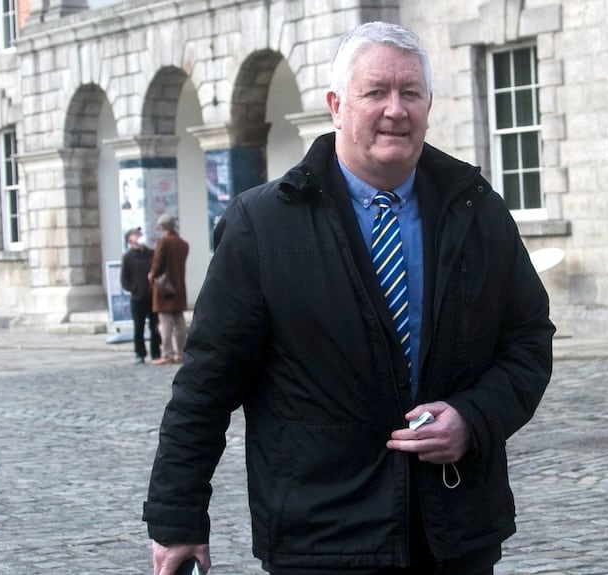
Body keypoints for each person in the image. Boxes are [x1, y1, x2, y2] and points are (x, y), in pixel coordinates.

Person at [143, 21, 554, 575]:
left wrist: (473, 418)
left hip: (453, 533)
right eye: (375, 92)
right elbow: (206, 383)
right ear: (336, 106)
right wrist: (177, 519)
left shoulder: (477, 210)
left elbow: (528, 342)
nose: (395, 110)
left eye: (410, 93)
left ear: (428, 105)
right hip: (322, 538)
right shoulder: (262, 224)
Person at [148, 214, 189, 365]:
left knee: (165, 322)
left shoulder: (164, 242)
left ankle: (167, 353)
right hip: (179, 287)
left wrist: (152, 275)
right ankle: (181, 353)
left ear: (162, 227)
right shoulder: (183, 244)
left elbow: (157, 263)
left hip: (164, 288)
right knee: (179, 321)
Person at [120, 227, 161, 364]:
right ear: (129, 240)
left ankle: (156, 353)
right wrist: (134, 288)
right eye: (135, 235)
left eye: (139, 234)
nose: (138, 237)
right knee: (139, 327)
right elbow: (124, 280)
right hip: (137, 297)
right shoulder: (128, 257)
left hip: (152, 296)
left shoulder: (151, 253)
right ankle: (140, 353)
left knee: (155, 327)